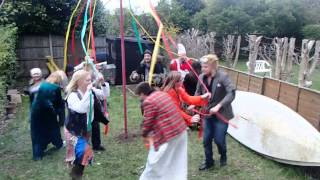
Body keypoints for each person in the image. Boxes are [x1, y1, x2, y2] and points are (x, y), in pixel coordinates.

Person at [135, 82, 188, 180]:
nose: (140, 98)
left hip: (168, 135)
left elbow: (148, 123)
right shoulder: (162, 94)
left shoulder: (149, 101)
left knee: (155, 162)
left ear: (143, 93)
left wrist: (143, 133)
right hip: (181, 130)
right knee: (176, 161)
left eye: (139, 95)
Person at [65, 69, 109, 179]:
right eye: (87, 80)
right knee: (83, 151)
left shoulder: (91, 89)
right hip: (73, 131)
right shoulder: (72, 96)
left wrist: (102, 83)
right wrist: (88, 92)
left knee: (82, 155)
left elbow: (104, 95)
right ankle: (75, 175)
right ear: (79, 82)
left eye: (90, 80)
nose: (90, 82)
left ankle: (76, 173)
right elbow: (81, 109)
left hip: (85, 129)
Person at [194, 54, 236, 170]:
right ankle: (209, 162)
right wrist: (194, 102)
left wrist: (218, 106)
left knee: (219, 140)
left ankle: (223, 156)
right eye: (202, 67)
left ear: (213, 66)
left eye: (205, 67)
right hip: (208, 115)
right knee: (206, 139)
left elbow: (231, 93)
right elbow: (198, 92)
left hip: (221, 115)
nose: (202, 69)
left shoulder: (223, 77)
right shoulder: (201, 77)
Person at [30, 70, 67, 161]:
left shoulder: (40, 85)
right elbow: (59, 104)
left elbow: (34, 98)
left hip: (36, 112)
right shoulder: (55, 88)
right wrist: (61, 116)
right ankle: (58, 144)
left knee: (37, 133)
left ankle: (37, 155)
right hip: (48, 112)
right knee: (53, 128)